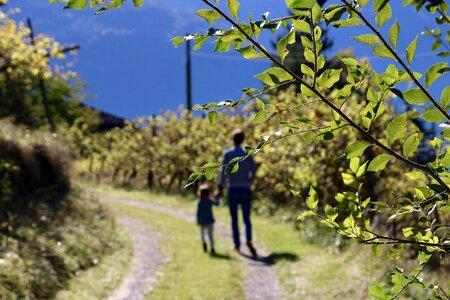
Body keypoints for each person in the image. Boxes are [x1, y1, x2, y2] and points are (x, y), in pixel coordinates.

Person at [216, 129, 258, 256]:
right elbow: (254, 170)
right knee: (246, 218)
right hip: (245, 188)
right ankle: (249, 240)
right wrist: (249, 180)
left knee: (234, 218)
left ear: (233, 139)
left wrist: (220, 188)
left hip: (232, 188)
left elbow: (223, 173)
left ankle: (237, 244)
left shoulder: (227, 154)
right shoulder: (248, 154)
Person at [196, 184, 219, 254]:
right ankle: (212, 247)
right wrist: (217, 197)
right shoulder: (209, 201)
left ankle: (204, 243)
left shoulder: (199, 202)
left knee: (202, 234)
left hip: (202, 221)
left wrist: (198, 220)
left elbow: (198, 213)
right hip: (210, 221)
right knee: (210, 235)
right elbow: (217, 204)